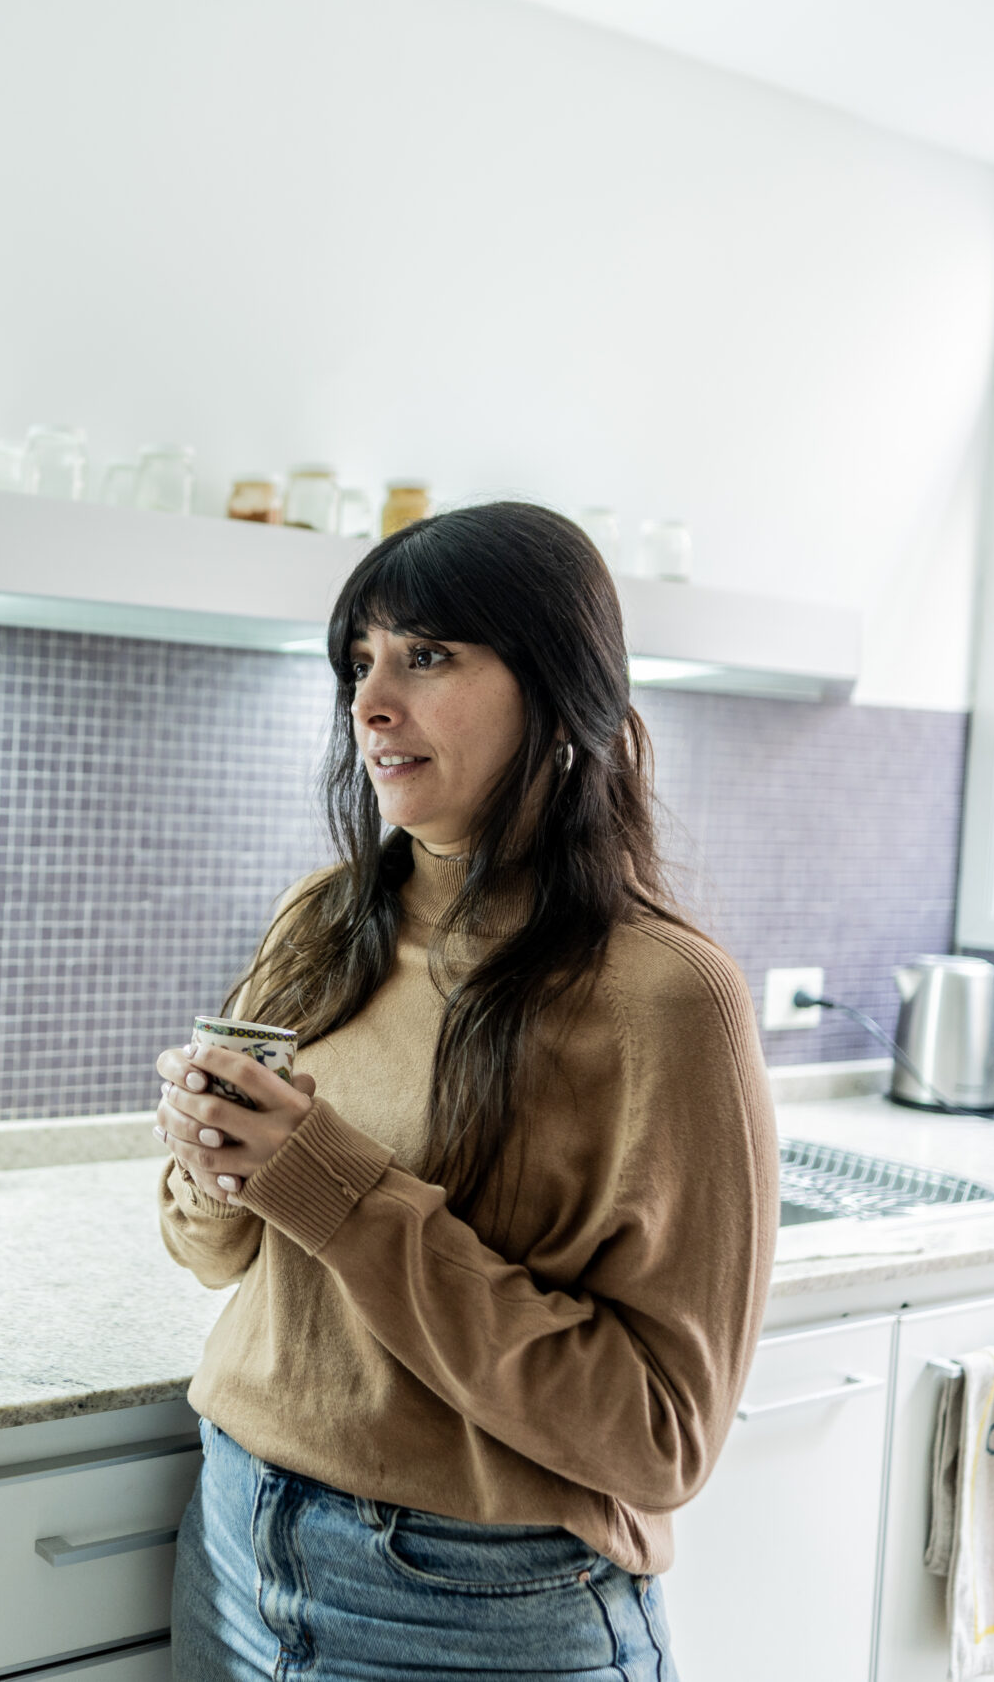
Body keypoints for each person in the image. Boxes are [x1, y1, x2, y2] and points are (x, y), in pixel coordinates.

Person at [153, 503, 777, 1681]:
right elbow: (213, 1253)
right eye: (359, 662)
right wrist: (207, 1153)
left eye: (426, 655)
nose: (370, 702)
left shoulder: (666, 998)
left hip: (476, 1600)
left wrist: (329, 1185)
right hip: (235, 1529)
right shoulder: (324, 918)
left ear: (556, 688)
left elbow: (663, 1439)